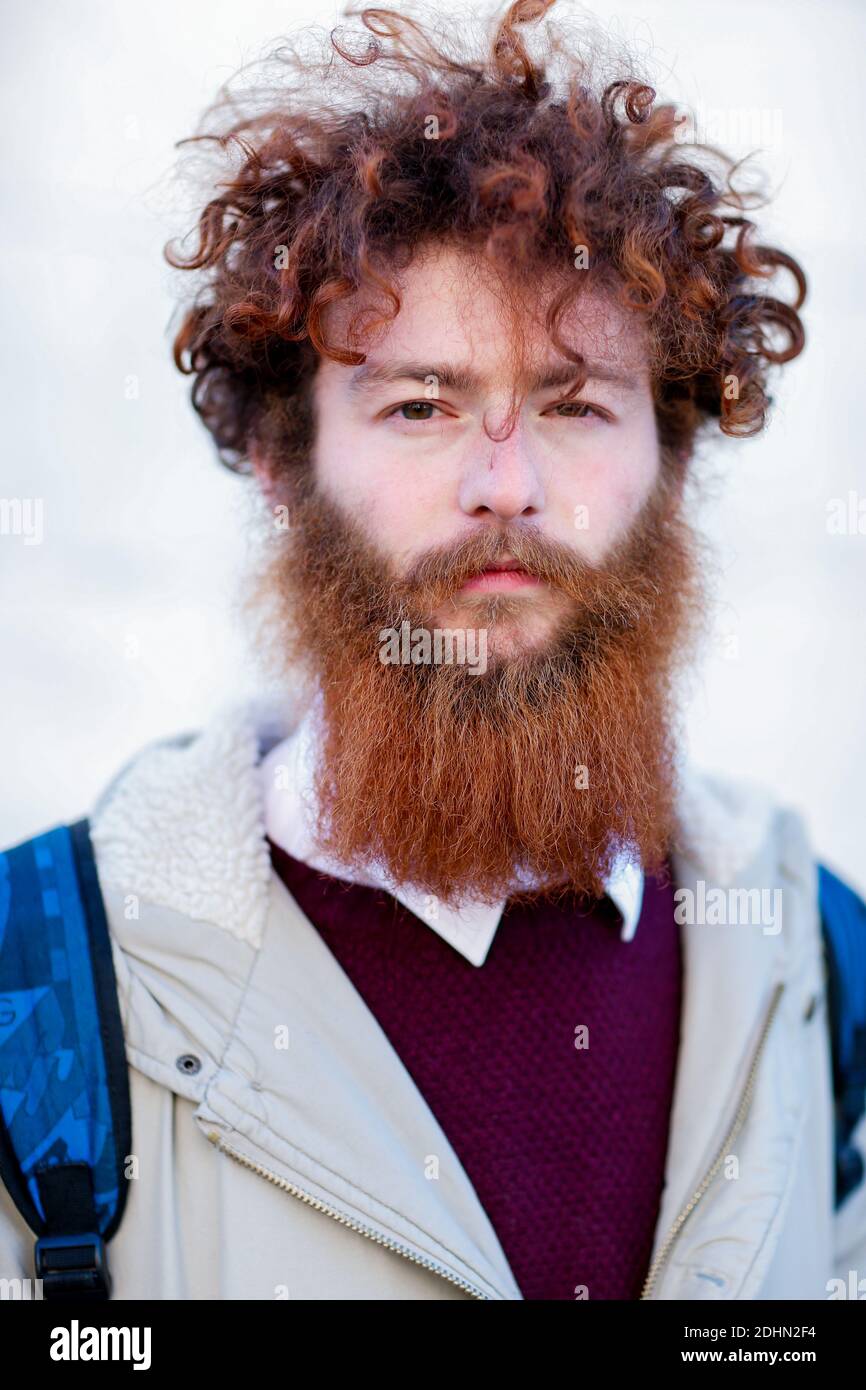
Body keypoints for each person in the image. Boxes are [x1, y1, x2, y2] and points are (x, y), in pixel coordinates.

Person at [2, 0, 864, 1301]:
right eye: (419, 404)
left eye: (575, 403)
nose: (504, 484)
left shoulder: (820, 969)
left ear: (671, 465)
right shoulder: (41, 993)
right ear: (281, 464)